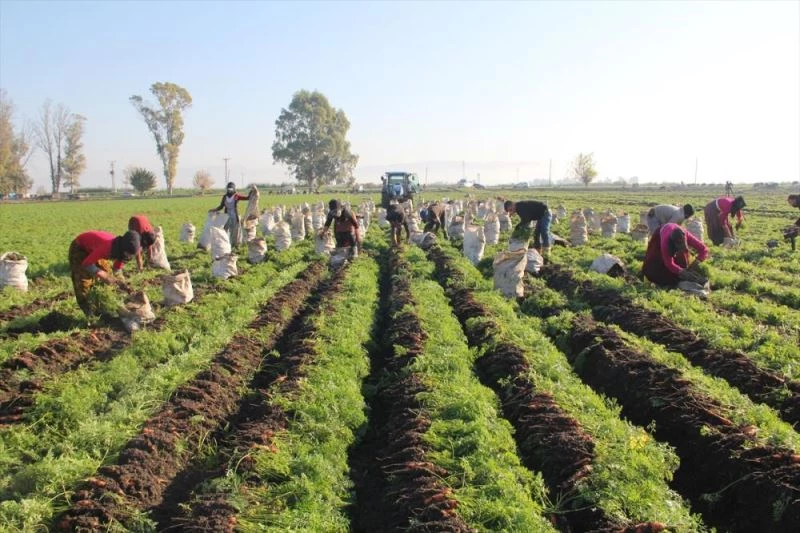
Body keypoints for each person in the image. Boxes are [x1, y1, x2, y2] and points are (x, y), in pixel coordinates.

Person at [68, 230, 140, 316]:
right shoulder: (108, 247)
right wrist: (105, 277)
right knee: (83, 284)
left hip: (95, 250)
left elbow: (117, 270)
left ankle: (102, 307)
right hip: (80, 248)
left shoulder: (124, 251)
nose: (128, 256)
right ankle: (91, 316)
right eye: (127, 254)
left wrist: (123, 285)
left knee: (108, 276)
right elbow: (86, 264)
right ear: (123, 248)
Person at [642, 223, 709, 288]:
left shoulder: (686, 235)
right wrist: (683, 272)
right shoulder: (665, 243)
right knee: (652, 268)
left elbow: (704, 249)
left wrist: (696, 263)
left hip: (673, 233)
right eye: (679, 248)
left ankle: (680, 275)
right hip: (660, 235)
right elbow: (669, 264)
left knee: (683, 263)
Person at [209, 182, 255, 247]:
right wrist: (214, 210)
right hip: (227, 216)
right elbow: (221, 206)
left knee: (235, 231)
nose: (229, 190)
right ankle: (226, 243)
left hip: (234, 216)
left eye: (231, 189)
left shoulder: (236, 196)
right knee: (225, 230)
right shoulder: (225, 197)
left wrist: (252, 192)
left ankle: (235, 244)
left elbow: (247, 198)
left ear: (233, 189)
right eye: (228, 189)